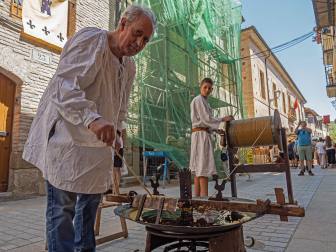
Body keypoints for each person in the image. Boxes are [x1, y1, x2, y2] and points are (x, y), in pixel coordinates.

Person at [22, 4, 157, 251]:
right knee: (62, 212)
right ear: (123, 23)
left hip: (96, 149)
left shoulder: (129, 66)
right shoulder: (92, 41)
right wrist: (93, 119)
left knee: (87, 214)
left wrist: (116, 132)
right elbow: (63, 86)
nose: (139, 43)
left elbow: (120, 107)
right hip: (67, 141)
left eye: (145, 39)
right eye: (137, 33)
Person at [190, 78, 232, 197]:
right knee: (202, 167)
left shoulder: (205, 101)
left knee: (199, 168)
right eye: (205, 87)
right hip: (200, 136)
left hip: (203, 134)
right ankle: (204, 199)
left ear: (212, 89)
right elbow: (206, 119)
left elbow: (205, 121)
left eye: (209, 88)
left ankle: (197, 198)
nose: (207, 90)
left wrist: (214, 129)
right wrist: (223, 119)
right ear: (200, 87)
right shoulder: (199, 100)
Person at [104, 121, 127, 194]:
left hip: (118, 147)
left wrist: (123, 147)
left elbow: (124, 135)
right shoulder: (108, 119)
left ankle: (116, 189)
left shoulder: (121, 122)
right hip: (108, 145)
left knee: (116, 168)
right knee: (108, 167)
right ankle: (109, 188)